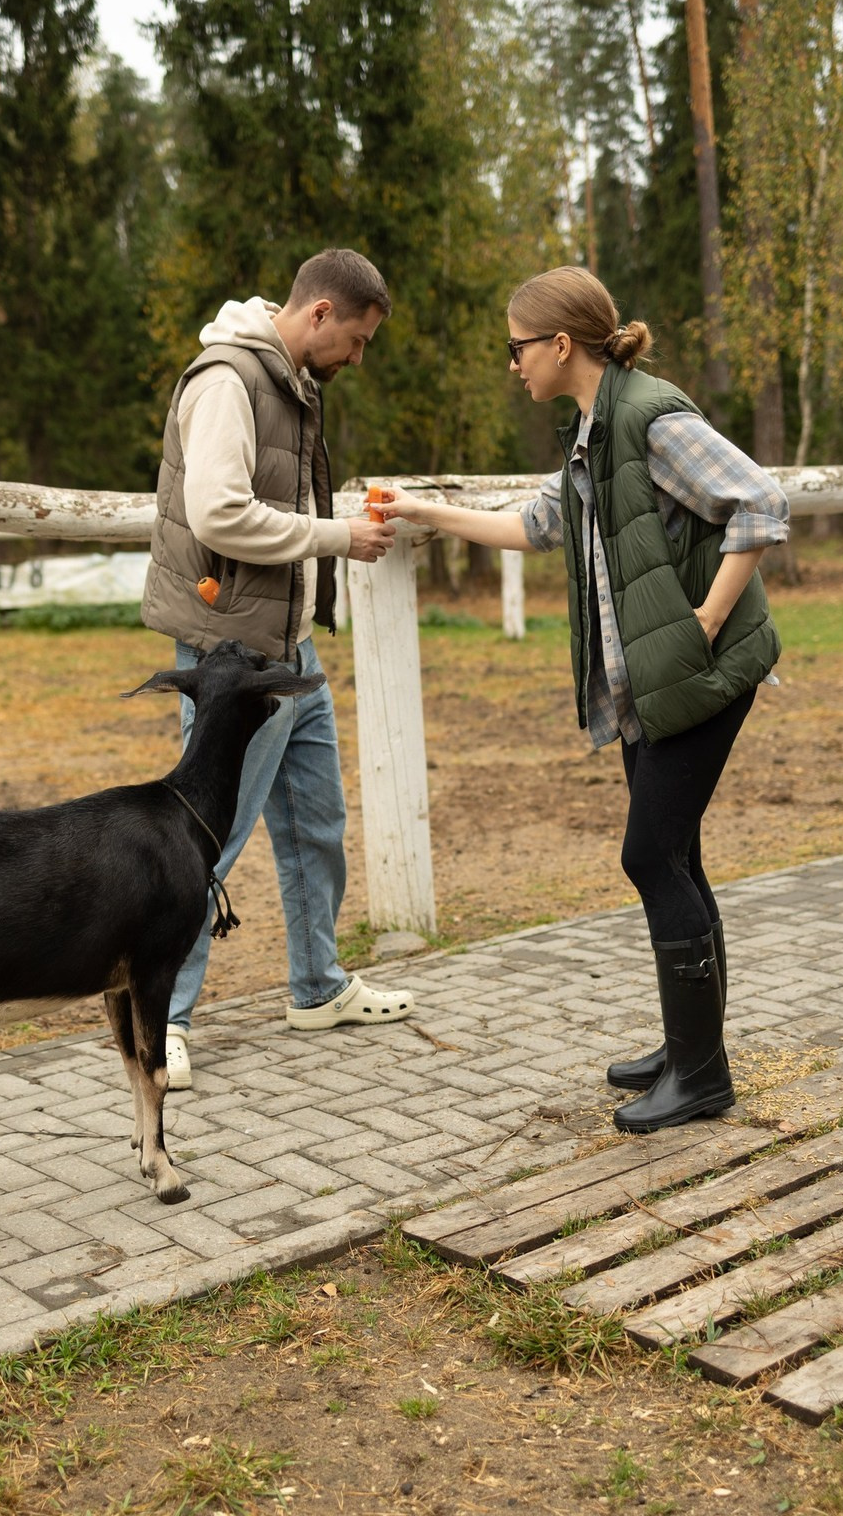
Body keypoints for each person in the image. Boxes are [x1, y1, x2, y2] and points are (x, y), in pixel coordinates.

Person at [380, 266, 788, 1134]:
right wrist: (426, 512)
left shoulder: (650, 417)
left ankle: (704, 1078)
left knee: (650, 856)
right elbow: (536, 526)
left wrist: (705, 622)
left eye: (516, 347)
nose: (512, 364)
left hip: (699, 673)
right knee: (675, 856)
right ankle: (691, 1053)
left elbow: (760, 500)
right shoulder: (592, 433)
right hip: (656, 680)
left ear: (561, 345)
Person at [142, 248, 414, 1088]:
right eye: (358, 340)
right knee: (203, 840)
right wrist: (339, 538)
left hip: (288, 651)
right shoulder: (228, 379)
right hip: (234, 659)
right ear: (321, 313)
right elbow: (219, 512)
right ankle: (161, 1021)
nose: (358, 358)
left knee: (316, 825)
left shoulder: (287, 379)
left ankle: (317, 986)